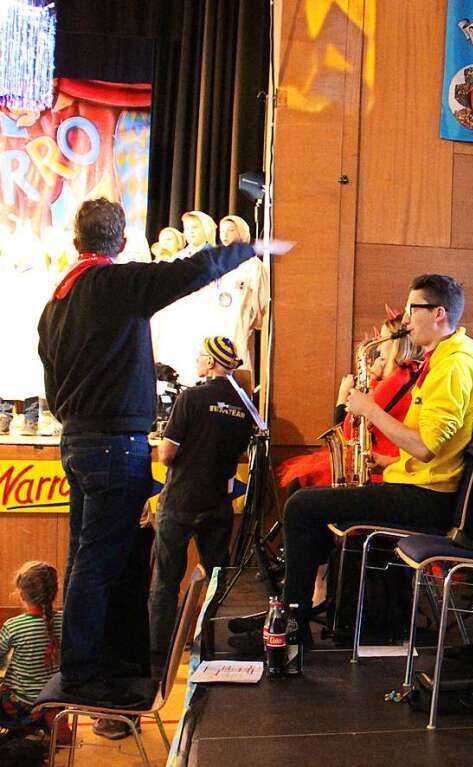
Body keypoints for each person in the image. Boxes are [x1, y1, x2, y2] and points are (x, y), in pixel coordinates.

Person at [36, 198, 276, 708]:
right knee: (101, 563)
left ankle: (104, 664)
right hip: (111, 446)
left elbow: (53, 389)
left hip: (78, 442)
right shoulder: (113, 285)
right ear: (121, 244)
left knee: (92, 557)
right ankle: (82, 672)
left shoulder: (57, 302)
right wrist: (248, 249)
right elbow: (189, 271)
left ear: (76, 241)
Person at [281, 274, 473, 640]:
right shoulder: (443, 360)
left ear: (438, 313)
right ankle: (301, 610)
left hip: (428, 501)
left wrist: (370, 410)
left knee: (301, 507)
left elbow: (425, 447)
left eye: (413, 309)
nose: (406, 319)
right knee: (308, 507)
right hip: (417, 486)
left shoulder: (452, 367)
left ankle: (292, 624)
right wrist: (386, 462)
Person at [148, 336, 254, 667]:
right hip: (217, 505)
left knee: (166, 581)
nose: (197, 361)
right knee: (216, 578)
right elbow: (239, 454)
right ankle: (208, 646)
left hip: (180, 500)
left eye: (199, 356)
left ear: (210, 362)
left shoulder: (191, 397)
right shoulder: (245, 406)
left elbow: (166, 455)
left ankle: (157, 655)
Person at [278, 314, 422, 491]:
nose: (378, 345)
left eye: (383, 339)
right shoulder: (404, 375)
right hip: (379, 460)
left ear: (396, 344)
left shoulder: (397, 379)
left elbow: (348, 428)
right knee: (300, 485)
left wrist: (345, 394)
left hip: (377, 468)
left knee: (299, 490)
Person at [0, 562, 61, 728]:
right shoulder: (64, 621)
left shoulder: (14, 625)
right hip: (56, 698)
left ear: (21, 593)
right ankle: (49, 721)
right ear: (54, 592)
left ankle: (27, 725)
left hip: (22, 703)